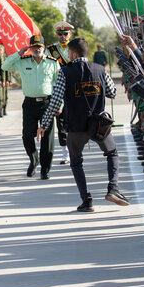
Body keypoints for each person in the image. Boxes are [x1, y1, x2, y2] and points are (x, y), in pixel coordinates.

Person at [38, 37, 129, 212]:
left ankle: (87, 200)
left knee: (76, 162)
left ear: (72, 53)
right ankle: (113, 189)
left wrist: (44, 124)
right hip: (99, 125)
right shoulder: (100, 69)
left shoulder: (65, 72)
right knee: (112, 153)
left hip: (76, 126)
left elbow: (55, 101)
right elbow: (112, 91)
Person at [2, 34, 60, 179]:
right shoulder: (23, 61)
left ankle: (45, 170)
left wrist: (60, 104)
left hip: (48, 103)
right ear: (30, 48)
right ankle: (34, 160)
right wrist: (19, 53)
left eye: (39, 46)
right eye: (34, 46)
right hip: (29, 104)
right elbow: (4, 66)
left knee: (47, 139)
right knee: (27, 136)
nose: (37, 49)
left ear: (44, 47)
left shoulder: (53, 63)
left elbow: (59, 85)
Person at [47, 21, 74, 165]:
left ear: (70, 34)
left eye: (65, 34)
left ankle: (75, 149)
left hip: (74, 88)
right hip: (59, 88)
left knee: (75, 121)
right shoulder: (50, 50)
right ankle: (65, 152)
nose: (62, 36)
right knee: (61, 122)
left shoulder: (75, 48)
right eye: (60, 34)